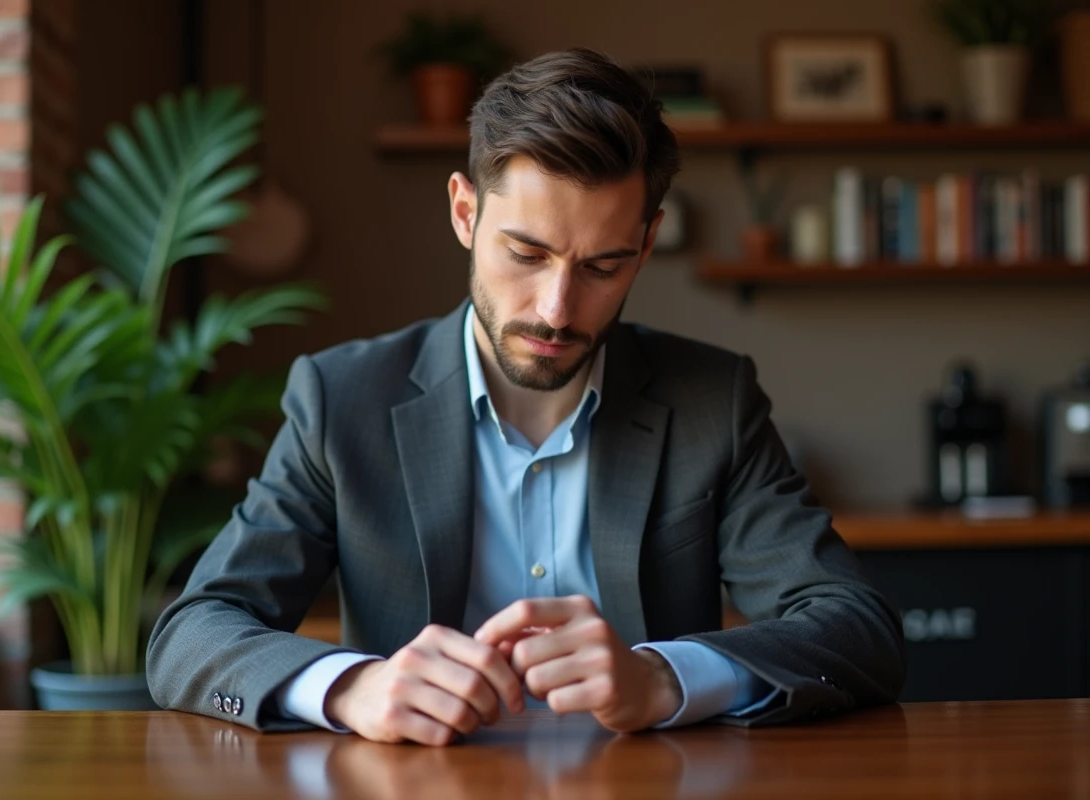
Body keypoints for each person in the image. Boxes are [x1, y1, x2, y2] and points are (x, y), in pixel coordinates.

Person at [147, 48, 906, 745]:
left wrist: (664, 677)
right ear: (465, 213)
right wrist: (352, 687)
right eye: (527, 254)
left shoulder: (714, 401)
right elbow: (192, 633)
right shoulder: (341, 400)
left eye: (603, 266)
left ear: (646, 245)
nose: (556, 307)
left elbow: (856, 630)